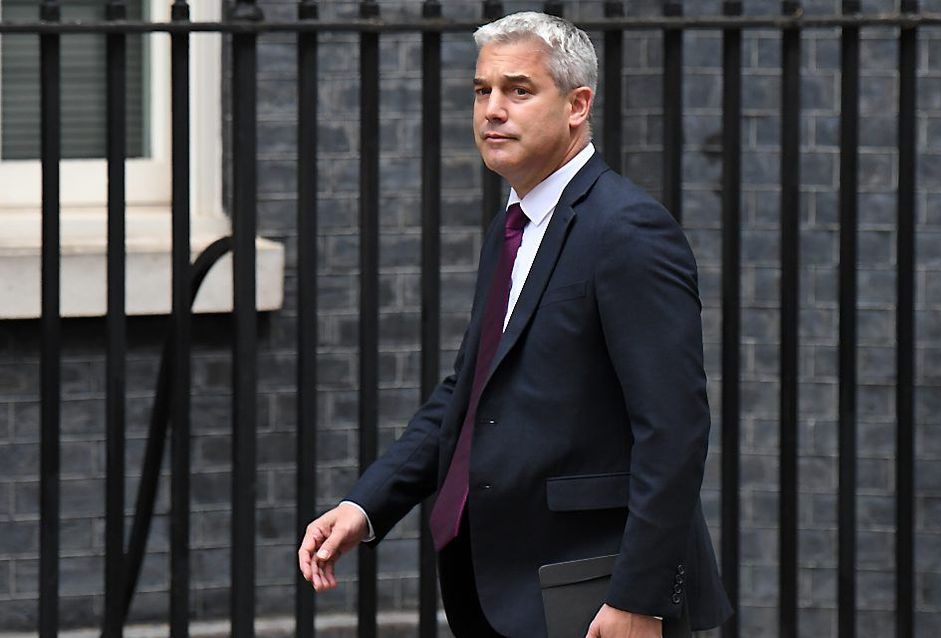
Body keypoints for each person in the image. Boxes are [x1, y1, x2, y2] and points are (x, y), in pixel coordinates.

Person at [297, 11, 732, 638]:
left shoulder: (627, 230)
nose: (493, 109)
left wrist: (640, 597)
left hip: (593, 594)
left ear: (578, 104)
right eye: (482, 91)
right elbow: (469, 395)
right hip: (498, 584)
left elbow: (674, 428)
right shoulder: (517, 225)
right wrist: (365, 505)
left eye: (518, 90)